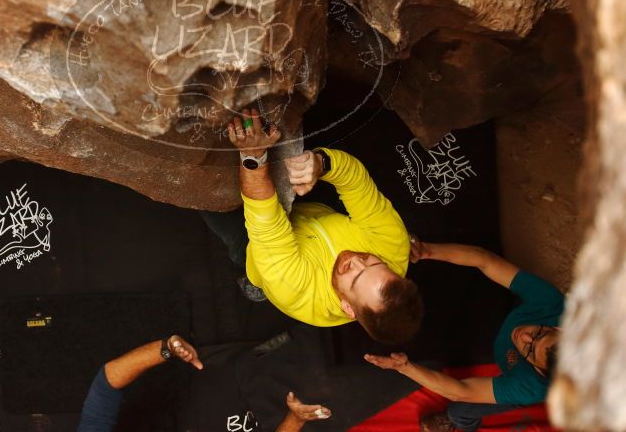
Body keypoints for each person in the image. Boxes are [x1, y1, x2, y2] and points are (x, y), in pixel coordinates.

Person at [218, 108, 422, 345]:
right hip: (309, 213)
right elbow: (356, 182)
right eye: (373, 262)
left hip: (257, 245)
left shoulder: (297, 291)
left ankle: (254, 281)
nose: (355, 260)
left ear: (347, 307)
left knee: (224, 221)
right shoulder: (394, 246)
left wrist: (253, 155)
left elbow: (266, 224)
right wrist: (320, 163)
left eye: (355, 279)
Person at [365, 241, 563, 432]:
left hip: (523, 386)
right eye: (540, 333)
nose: (525, 336)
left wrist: (405, 367)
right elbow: (486, 260)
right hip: (516, 322)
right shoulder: (552, 304)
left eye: (529, 350)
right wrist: (428, 250)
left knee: (459, 411)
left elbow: (462, 391)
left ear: (539, 370)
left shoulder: (530, 386)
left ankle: (460, 425)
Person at [78, 333, 331, 432]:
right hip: (276, 419)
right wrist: (295, 420)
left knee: (326, 345)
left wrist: (166, 349)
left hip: (231, 381)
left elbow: (107, 381)